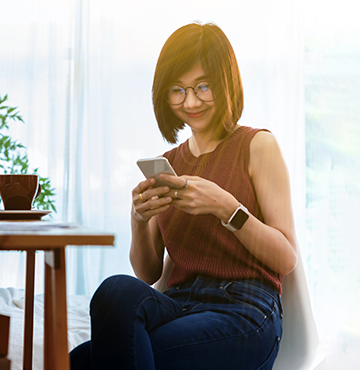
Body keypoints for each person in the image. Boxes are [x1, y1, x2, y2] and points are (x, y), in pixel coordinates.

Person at [70, 22, 298, 370]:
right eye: (177, 90)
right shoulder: (171, 164)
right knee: (115, 290)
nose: (190, 101)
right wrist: (139, 219)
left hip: (244, 310)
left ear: (226, 82)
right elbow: (146, 272)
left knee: (83, 362)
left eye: (203, 86)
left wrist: (226, 207)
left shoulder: (257, 146)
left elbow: (286, 259)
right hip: (179, 305)